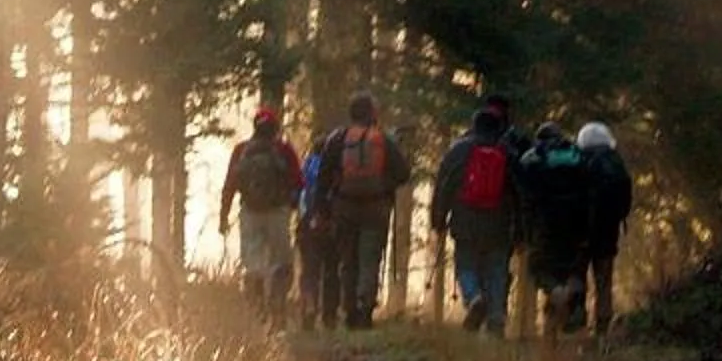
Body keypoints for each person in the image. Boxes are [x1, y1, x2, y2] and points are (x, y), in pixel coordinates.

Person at [315, 90, 411, 329]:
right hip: (376, 207)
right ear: (372, 113)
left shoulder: (337, 139)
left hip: (344, 206)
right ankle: (365, 307)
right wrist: (383, 185)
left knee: (348, 260)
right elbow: (403, 173)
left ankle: (349, 311)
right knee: (370, 258)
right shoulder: (383, 140)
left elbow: (323, 177)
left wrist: (322, 210)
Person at [433, 98, 520, 332]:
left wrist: (438, 220)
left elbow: (444, 186)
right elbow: (520, 194)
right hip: (498, 225)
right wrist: (521, 230)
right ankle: (496, 319)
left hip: (465, 221)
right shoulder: (508, 153)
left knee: (466, 266)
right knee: (496, 271)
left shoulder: (459, 150)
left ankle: (473, 298)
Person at [219, 104, 304, 329]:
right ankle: (277, 307)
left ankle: (256, 311)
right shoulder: (284, 150)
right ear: (275, 128)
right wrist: (293, 206)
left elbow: (230, 184)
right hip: (277, 213)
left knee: (253, 264)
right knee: (282, 262)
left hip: (249, 212)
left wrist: (223, 216)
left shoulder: (241, 150)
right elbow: (298, 181)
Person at [513, 122, 597, 339]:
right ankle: (571, 295)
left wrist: (524, 232)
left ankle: (556, 293)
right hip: (577, 224)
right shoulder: (578, 156)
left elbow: (525, 199)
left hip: (546, 223)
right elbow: (591, 191)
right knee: (575, 267)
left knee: (540, 267)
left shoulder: (533, 159)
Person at [575, 121, 634, 336]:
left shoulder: (578, 161)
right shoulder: (616, 163)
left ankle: (578, 317)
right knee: (603, 280)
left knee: (578, 275)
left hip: (580, 232)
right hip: (608, 233)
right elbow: (625, 200)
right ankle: (602, 325)